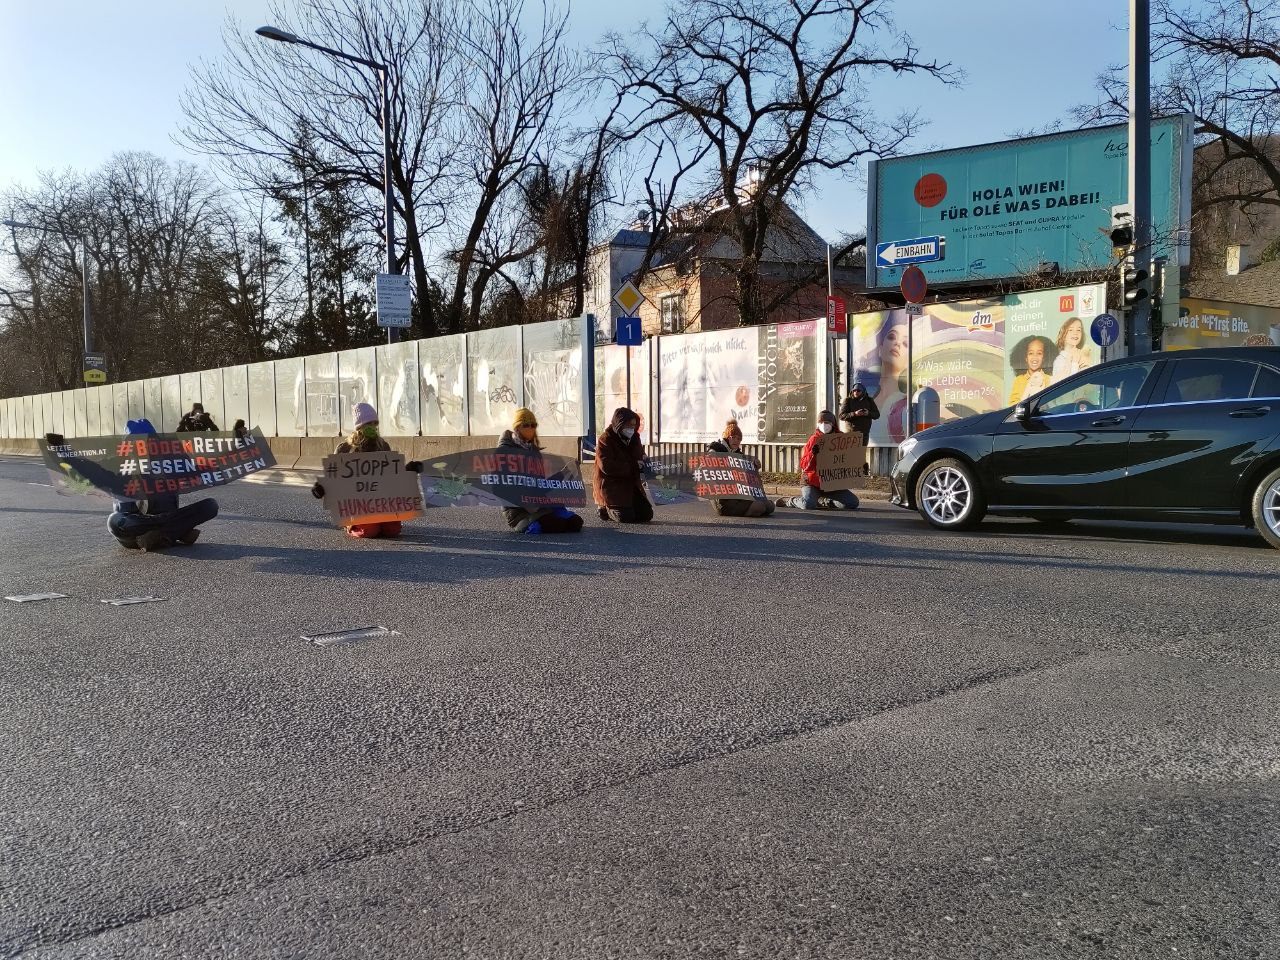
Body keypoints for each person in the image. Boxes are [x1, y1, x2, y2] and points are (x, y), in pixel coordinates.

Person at [310, 402, 421, 539]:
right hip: (357, 505)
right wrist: (321, 487)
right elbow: (334, 478)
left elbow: (393, 475)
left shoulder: (383, 446)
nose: (373, 428)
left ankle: (377, 522)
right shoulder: (345, 448)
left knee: (392, 530)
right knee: (369, 531)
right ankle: (350, 525)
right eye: (369, 424)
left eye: (375, 424)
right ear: (359, 427)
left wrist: (409, 470)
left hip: (380, 503)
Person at [107, 418, 219, 551]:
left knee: (210, 506)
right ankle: (172, 532)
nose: (142, 446)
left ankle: (162, 535)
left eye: (147, 441)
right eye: (136, 443)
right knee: (114, 521)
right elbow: (124, 510)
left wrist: (217, 465)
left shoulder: (169, 463)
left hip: (167, 516)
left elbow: (195, 470)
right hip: (135, 532)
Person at [497, 407, 584, 534]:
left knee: (576, 522)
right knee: (555, 525)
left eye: (533, 425)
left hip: (538, 502)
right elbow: (503, 487)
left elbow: (542, 484)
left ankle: (547, 517)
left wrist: (564, 473)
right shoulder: (505, 452)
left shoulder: (533, 451)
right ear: (517, 427)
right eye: (526, 425)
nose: (530, 428)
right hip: (518, 509)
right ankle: (531, 524)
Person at [775, 410, 860, 511]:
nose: (824, 425)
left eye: (827, 422)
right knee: (808, 504)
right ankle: (789, 501)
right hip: (812, 482)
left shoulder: (841, 439)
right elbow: (804, 466)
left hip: (830, 485)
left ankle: (825, 502)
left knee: (852, 502)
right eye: (821, 422)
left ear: (833, 424)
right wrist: (812, 454)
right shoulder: (813, 440)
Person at [594, 406, 653, 524]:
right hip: (611, 486)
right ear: (619, 424)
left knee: (646, 515)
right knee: (625, 517)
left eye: (633, 425)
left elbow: (640, 455)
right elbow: (606, 466)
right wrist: (634, 466)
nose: (631, 429)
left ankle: (626, 507)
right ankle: (605, 508)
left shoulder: (635, 438)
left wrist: (645, 463)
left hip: (630, 485)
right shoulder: (606, 439)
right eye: (628, 425)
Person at [705, 419, 774, 518]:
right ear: (727, 438)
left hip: (737, 495)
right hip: (723, 500)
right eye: (733, 437)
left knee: (770, 506)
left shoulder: (738, 455)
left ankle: (754, 507)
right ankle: (750, 510)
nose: (736, 441)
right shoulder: (716, 450)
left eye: (738, 439)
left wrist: (754, 465)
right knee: (760, 507)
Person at [1008, 336, 1055, 404]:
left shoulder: (1049, 379)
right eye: (1031, 353)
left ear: (1044, 357)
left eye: (1039, 353)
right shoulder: (1019, 380)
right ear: (1025, 357)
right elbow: (1013, 405)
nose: (1035, 357)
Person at [838, 381, 880, 447]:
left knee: (861, 454)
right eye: (854, 390)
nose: (856, 392)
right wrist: (855, 414)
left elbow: (877, 414)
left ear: (863, 391)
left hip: (864, 434)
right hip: (851, 434)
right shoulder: (848, 400)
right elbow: (841, 416)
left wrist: (868, 413)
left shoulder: (869, 400)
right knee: (852, 454)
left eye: (858, 391)